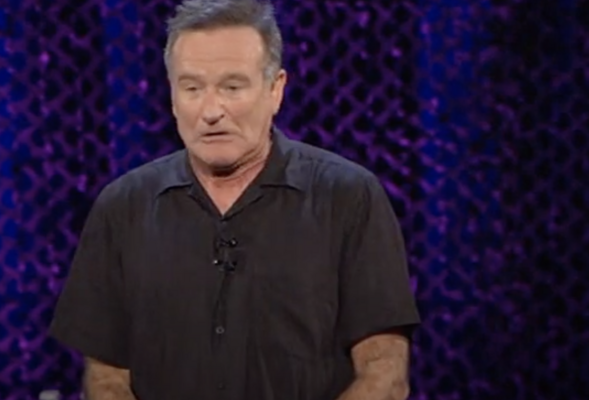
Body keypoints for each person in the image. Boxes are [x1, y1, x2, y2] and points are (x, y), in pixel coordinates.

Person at [48, 0, 421, 399]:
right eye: (192, 88)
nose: (211, 111)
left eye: (232, 87)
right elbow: (105, 377)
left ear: (275, 89)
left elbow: (384, 374)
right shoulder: (122, 207)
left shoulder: (348, 198)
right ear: (172, 97)